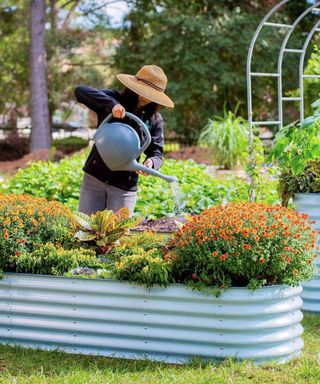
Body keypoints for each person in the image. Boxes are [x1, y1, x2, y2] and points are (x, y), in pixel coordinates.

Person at [74, 64, 174, 217]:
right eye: (144, 90)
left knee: (118, 235)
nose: (146, 96)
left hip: (124, 185)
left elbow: (156, 153)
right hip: (94, 176)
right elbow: (81, 91)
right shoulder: (114, 99)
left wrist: (152, 162)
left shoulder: (154, 119)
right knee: (86, 229)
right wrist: (111, 105)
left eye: (151, 93)